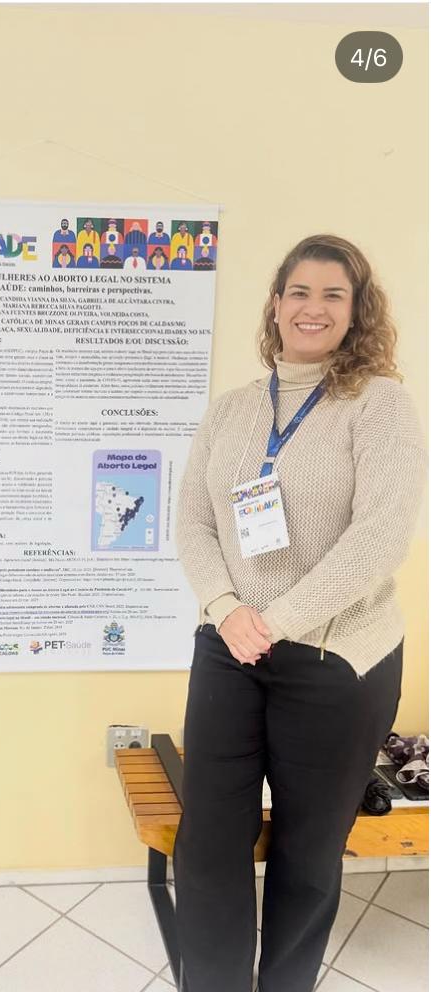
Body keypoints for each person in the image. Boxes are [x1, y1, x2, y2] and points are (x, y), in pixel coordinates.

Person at [173, 235, 426, 992]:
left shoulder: (379, 404)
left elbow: (380, 537)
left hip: (336, 656)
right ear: (277, 303)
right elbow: (192, 523)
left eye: (333, 294)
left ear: (356, 310)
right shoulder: (231, 410)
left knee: (307, 853)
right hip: (230, 647)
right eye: (300, 292)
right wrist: (228, 610)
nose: (313, 308)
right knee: (208, 842)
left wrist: (274, 619)